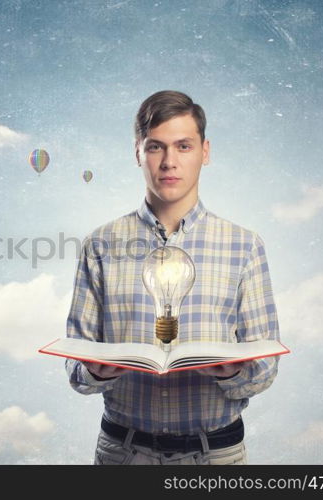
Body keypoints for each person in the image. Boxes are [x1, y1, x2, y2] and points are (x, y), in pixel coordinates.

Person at [65, 90, 281, 465]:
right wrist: (96, 371)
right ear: (138, 153)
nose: (169, 162)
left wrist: (232, 372)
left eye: (183, 146)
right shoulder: (100, 244)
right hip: (123, 453)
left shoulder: (243, 246)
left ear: (205, 152)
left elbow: (264, 370)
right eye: (155, 147)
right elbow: (75, 367)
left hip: (214, 455)